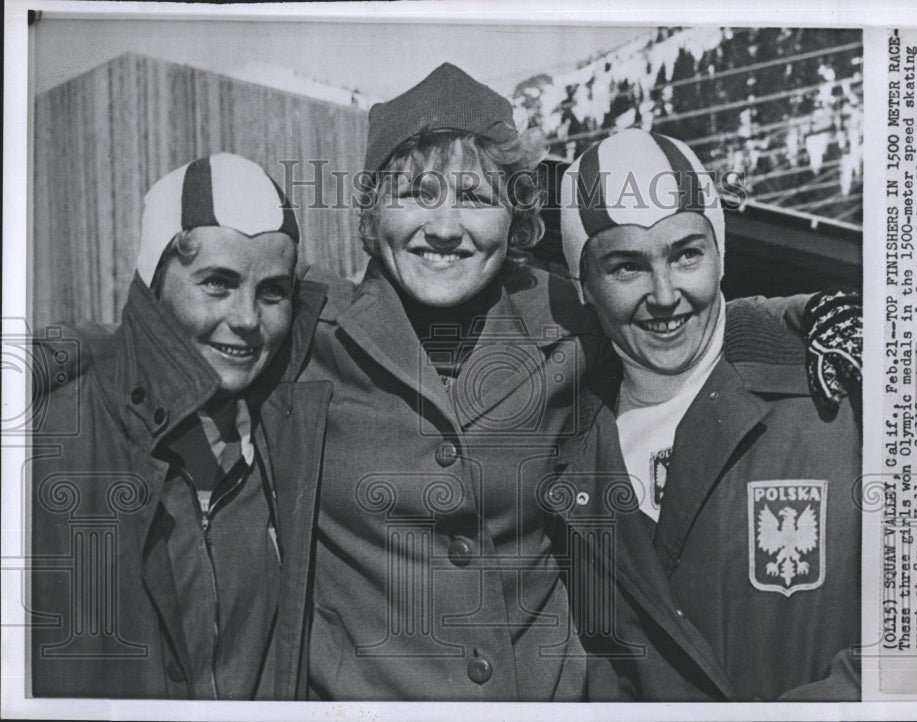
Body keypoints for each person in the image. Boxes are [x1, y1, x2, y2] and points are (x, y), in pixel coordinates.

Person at [300, 64, 854, 701]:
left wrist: (802, 316)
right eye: (418, 193)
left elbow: (679, 306)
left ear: (514, 219)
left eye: (476, 199)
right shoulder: (308, 335)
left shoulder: (564, 315)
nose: (446, 228)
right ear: (373, 209)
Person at [553, 128, 861, 701]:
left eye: (685, 254)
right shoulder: (568, 453)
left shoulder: (832, 385)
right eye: (627, 267)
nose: (665, 294)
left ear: (720, 254)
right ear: (584, 286)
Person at [30, 153, 332, 699]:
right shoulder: (47, 441)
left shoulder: (285, 437)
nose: (246, 318)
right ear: (154, 284)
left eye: (272, 292)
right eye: (217, 283)